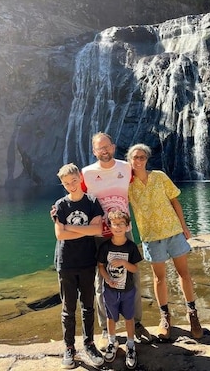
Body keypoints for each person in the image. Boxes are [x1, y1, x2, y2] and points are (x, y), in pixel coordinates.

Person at [125, 143, 204, 340]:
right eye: (135, 157)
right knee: (159, 278)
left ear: (147, 159)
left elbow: (174, 201)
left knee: (183, 273)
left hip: (173, 231)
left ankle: (192, 314)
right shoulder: (127, 185)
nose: (139, 160)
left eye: (142, 157)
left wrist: (184, 227)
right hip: (151, 237)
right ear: (129, 160)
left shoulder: (159, 176)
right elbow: (113, 200)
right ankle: (165, 317)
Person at [80, 132, 151, 348]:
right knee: (102, 278)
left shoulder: (126, 168)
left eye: (107, 146)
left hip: (125, 230)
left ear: (113, 147)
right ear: (94, 151)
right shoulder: (87, 173)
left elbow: (145, 184)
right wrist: (59, 209)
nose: (104, 150)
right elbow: (76, 196)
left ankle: (136, 323)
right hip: (100, 234)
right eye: (99, 148)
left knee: (133, 276)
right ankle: (105, 328)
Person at [52, 163, 105, 369]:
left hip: (86, 260)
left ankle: (89, 344)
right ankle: (69, 347)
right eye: (66, 183)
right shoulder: (60, 205)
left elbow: (98, 229)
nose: (71, 185)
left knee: (88, 306)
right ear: (63, 184)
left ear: (80, 179)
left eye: (74, 181)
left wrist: (71, 227)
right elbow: (60, 235)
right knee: (68, 308)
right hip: (65, 262)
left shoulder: (92, 201)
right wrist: (86, 228)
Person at [97, 209, 143, 369]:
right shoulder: (105, 247)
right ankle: (112, 341)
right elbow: (101, 266)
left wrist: (124, 263)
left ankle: (130, 345)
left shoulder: (131, 247)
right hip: (110, 290)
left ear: (127, 226)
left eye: (121, 224)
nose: (117, 227)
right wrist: (107, 279)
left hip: (128, 290)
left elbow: (135, 269)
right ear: (109, 226)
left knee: (129, 317)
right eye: (114, 224)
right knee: (111, 317)